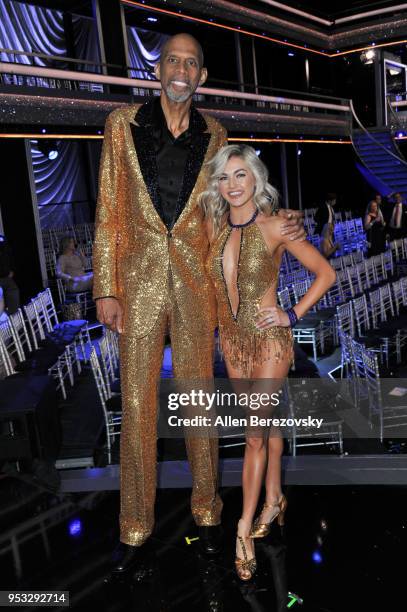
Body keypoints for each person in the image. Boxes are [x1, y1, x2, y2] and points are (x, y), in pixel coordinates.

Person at [92, 33, 306, 573]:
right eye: (172, 60)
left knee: (199, 404)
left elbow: (231, 207)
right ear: (157, 68)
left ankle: (208, 513)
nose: (181, 70)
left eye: (191, 63)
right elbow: (109, 213)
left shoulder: (217, 135)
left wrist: (277, 222)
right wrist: (105, 288)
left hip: (196, 288)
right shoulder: (122, 125)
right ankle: (135, 527)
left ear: (202, 76)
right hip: (136, 287)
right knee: (138, 408)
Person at [202, 144, 336, 580]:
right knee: (268, 425)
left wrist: (291, 314)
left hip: (271, 341)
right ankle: (275, 497)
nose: (233, 185)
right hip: (233, 343)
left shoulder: (277, 226)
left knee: (254, 434)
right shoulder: (213, 226)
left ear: (256, 179)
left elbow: (326, 274)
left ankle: (242, 529)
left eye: (241, 175)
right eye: (224, 177)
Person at [314, 193, 340, 258]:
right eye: (334, 200)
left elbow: (332, 218)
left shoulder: (331, 208)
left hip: (330, 229)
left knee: (331, 245)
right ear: (329, 200)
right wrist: (324, 224)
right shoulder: (322, 206)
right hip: (324, 229)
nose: (335, 202)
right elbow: (315, 218)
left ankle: (333, 257)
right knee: (326, 247)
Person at [0, 235, 20, 314]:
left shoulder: (3, 241)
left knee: (14, 291)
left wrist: (12, 270)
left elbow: (10, 257)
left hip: (7, 277)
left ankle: (14, 316)